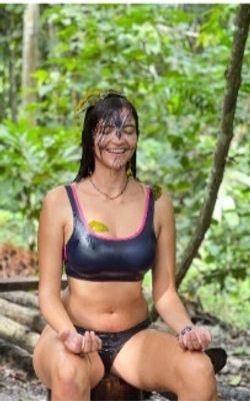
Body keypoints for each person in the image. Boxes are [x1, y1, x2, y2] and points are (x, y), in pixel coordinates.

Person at [32, 91, 218, 400]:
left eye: (127, 130)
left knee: (199, 371)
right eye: (107, 129)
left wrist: (187, 330)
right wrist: (69, 334)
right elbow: (47, 294)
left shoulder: (157, 203)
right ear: (90, 137)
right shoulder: (60, 202)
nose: (118, 139)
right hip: (72, 333)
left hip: (133, 340)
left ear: (136, 138)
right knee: (68, 374)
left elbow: (166, 292)